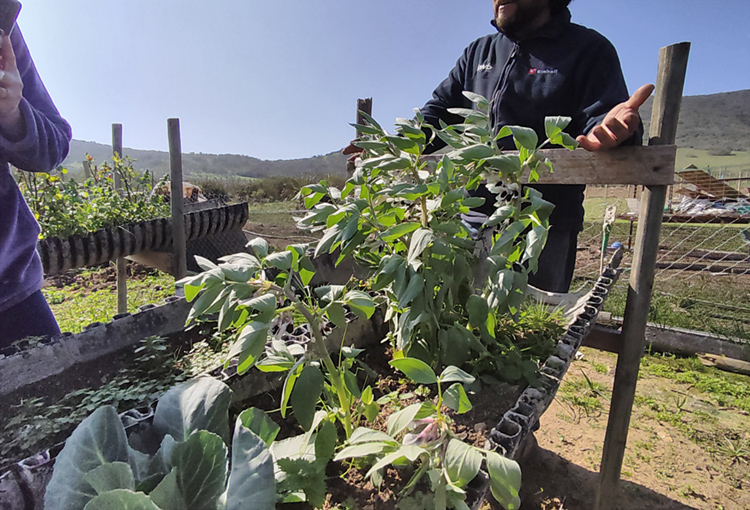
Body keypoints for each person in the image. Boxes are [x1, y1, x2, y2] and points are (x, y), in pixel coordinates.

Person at [346, 0, 653, 293]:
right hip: (469, 222)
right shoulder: (479, 52)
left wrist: (616, 130)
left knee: (530, 333)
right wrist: (387, 148)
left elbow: (604, 119)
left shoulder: (588, 50)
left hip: (543, 229)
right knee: (460, 322)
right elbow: (436, 115)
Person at [0, 24, 72, 350]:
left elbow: (54, 145)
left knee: (57, 399)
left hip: (9, 297)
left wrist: (12, 114)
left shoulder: (2, 23)